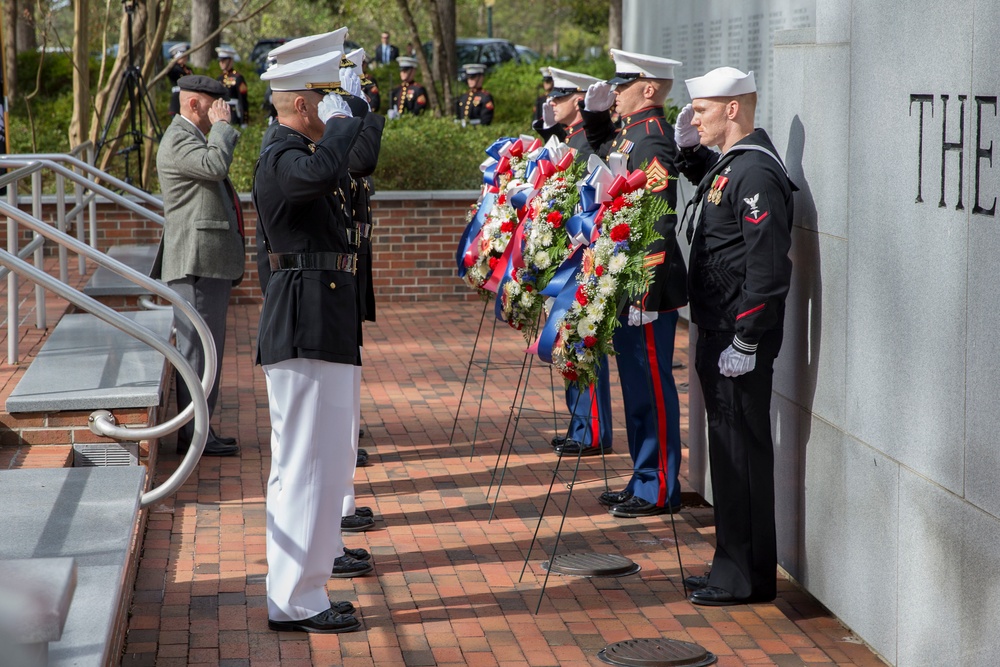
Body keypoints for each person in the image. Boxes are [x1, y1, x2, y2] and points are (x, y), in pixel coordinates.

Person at [254, 49, 375, 634]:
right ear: (303, 103)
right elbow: (321, 173)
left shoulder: (299, 151)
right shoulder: (281, 155)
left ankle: (311, 582)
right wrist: (346, 118)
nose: (332, 112)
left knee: (327, 460)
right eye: (324, 100)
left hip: (323, 317)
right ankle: (294, 600)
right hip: (304, 322)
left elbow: (346, 165)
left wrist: (355, 115)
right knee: (303, 464)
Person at [673, 67, 795, 606]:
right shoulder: (735, 167)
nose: (693, 117)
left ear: (732, 110)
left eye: (701, 110)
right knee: (726, 453)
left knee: (742, 456)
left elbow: (767, 266)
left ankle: (747, 577)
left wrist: (748, 338)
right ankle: (730, 566)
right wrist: (691, 155)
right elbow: (716, 198)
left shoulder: (757, 175)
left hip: (738, 339)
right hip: (719, 331)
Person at [579, 50, 687, 517]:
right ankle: (643, 473)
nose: (614, 94)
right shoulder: (631, 135)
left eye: (621, 87)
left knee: (652, 387)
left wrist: (643, 288)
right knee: (635, 387)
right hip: (625, 280)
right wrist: (594, 118)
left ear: (647, 89)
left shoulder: (654, 139)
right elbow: (604, 158)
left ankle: (659, 484)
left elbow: (659, 220)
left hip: (647, 286)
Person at [152, 75, 243, 457]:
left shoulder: (189, 136)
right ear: (193, 105)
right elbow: (215, 166)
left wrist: (218, 126)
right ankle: (192, 434)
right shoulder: (178, 139)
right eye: (214, 105)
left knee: (207, 350)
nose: (220, 111)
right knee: (196, 352)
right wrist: (222, 129)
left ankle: (200, 429)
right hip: (194, 261)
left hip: (204, 260)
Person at [532, 67, 612, 458]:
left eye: (561, 96)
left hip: (581, 256)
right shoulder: (570, 139)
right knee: (568, 342)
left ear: (579, 100)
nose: (552, 101)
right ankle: (580, 424)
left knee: (581, 339)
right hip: (567, 256)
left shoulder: (586, 143)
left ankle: (591, 429)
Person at [217, 46, 249, 126]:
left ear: (230, 61)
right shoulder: (219, 78)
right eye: (220, 61)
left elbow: (243, 101)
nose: (221, 63)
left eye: (223, 61)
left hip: (234, 115)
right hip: (221, 114)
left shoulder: (238, 78)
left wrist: (244, 121)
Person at [166, 43, 192, 116]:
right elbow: (168, 72)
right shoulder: (174, 69)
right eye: (183, 57)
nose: (185, 58)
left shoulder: (188, 69)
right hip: (178, 99)